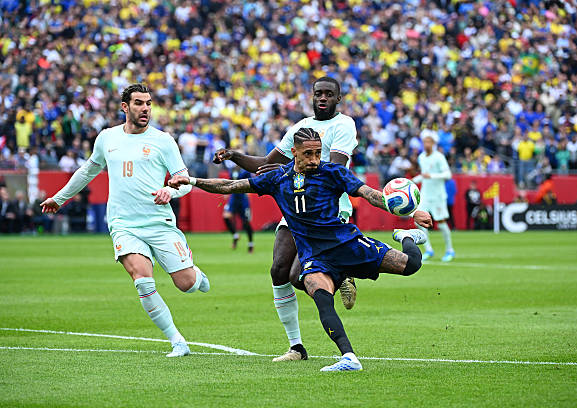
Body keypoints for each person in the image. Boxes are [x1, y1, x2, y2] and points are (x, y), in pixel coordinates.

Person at [168, 127, 433, 371]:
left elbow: (369, 194)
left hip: (346, 243)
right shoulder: (277, 178)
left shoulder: (333, 172)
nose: (314, 159)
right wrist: (191, 180)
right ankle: (349, 358)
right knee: (321, 296)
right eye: (308, 154)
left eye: (318, 153)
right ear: (294, 152)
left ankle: (406, 237)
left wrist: (410, 213)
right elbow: (230, 186)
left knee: (411, 265)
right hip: (315, 256)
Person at [40, 83, 210, 357]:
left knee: (186, 284)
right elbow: (87, 171)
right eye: (139, 103)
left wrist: (169, 191)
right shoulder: (107, 138)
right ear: (125, 107)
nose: (145, 109)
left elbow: (185, 181)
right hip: (123, 224)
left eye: (148, 103)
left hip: (158, 223)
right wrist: (59, 198)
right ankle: (177, 341)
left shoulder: (163, 140)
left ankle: (196, 276)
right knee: (142, 280)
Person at [213, 77, 358, 361]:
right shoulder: (300, 127)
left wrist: (289, 168)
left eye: (329, 94)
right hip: (296, 206)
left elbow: (335, 168)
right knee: (279, 270)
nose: (323, 98)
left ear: (338, 98)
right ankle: (296, 347)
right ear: (312, 96)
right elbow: (267, 164)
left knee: (296, 276)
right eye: (319, 93)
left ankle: (341, 272)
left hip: (327, 209)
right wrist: (234, 155)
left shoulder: (344, 125)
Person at [413, 132, 455, 261]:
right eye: (424, 142)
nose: (426, 144)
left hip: (438, 195)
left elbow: (448, 175)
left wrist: (432, 176)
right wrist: (412, 181)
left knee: (441, 222)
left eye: (429, 142)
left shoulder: (439, 157)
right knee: (418, 220)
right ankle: (428, 249)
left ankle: (450, 250)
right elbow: (424, 175)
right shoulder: (421, 157)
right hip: (425, 194)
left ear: (433, 143)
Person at [224, 167, 254, 252]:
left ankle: (250, 244)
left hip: (243, 198)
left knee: (246, 222)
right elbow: (230, 182)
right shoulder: (232, 170)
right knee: (226, 217)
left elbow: (251, 182)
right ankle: (235, 235)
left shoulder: (246, 170)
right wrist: (226, 192)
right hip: (233, 198)